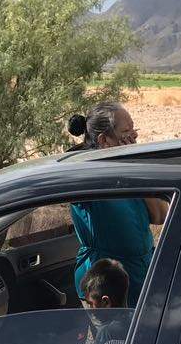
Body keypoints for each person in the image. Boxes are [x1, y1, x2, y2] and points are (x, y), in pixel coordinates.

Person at [66, 102, 169, 301]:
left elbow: (160, 215)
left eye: (134, 129)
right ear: (104, 140)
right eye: (126, 131)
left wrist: (137, 166)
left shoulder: (128, 172)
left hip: (140, 275)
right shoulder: (86, 177)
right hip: (104, 285)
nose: (134, 136)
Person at [79, 258, 131, 344]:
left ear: (106, 302)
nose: (89, 309)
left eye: (90, 303)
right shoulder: (136, 320)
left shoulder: (106, 333)